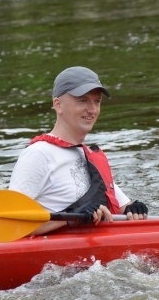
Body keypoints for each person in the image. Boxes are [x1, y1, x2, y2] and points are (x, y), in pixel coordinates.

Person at [9, 66, 148, 235]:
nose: (92, 110)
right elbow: (12, 223)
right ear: (58, 105)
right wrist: (72, 216)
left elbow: (122, 206)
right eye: (83, 100)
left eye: (96, 101)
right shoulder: (38, 154)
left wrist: (134, 209)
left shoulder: (90, 157)